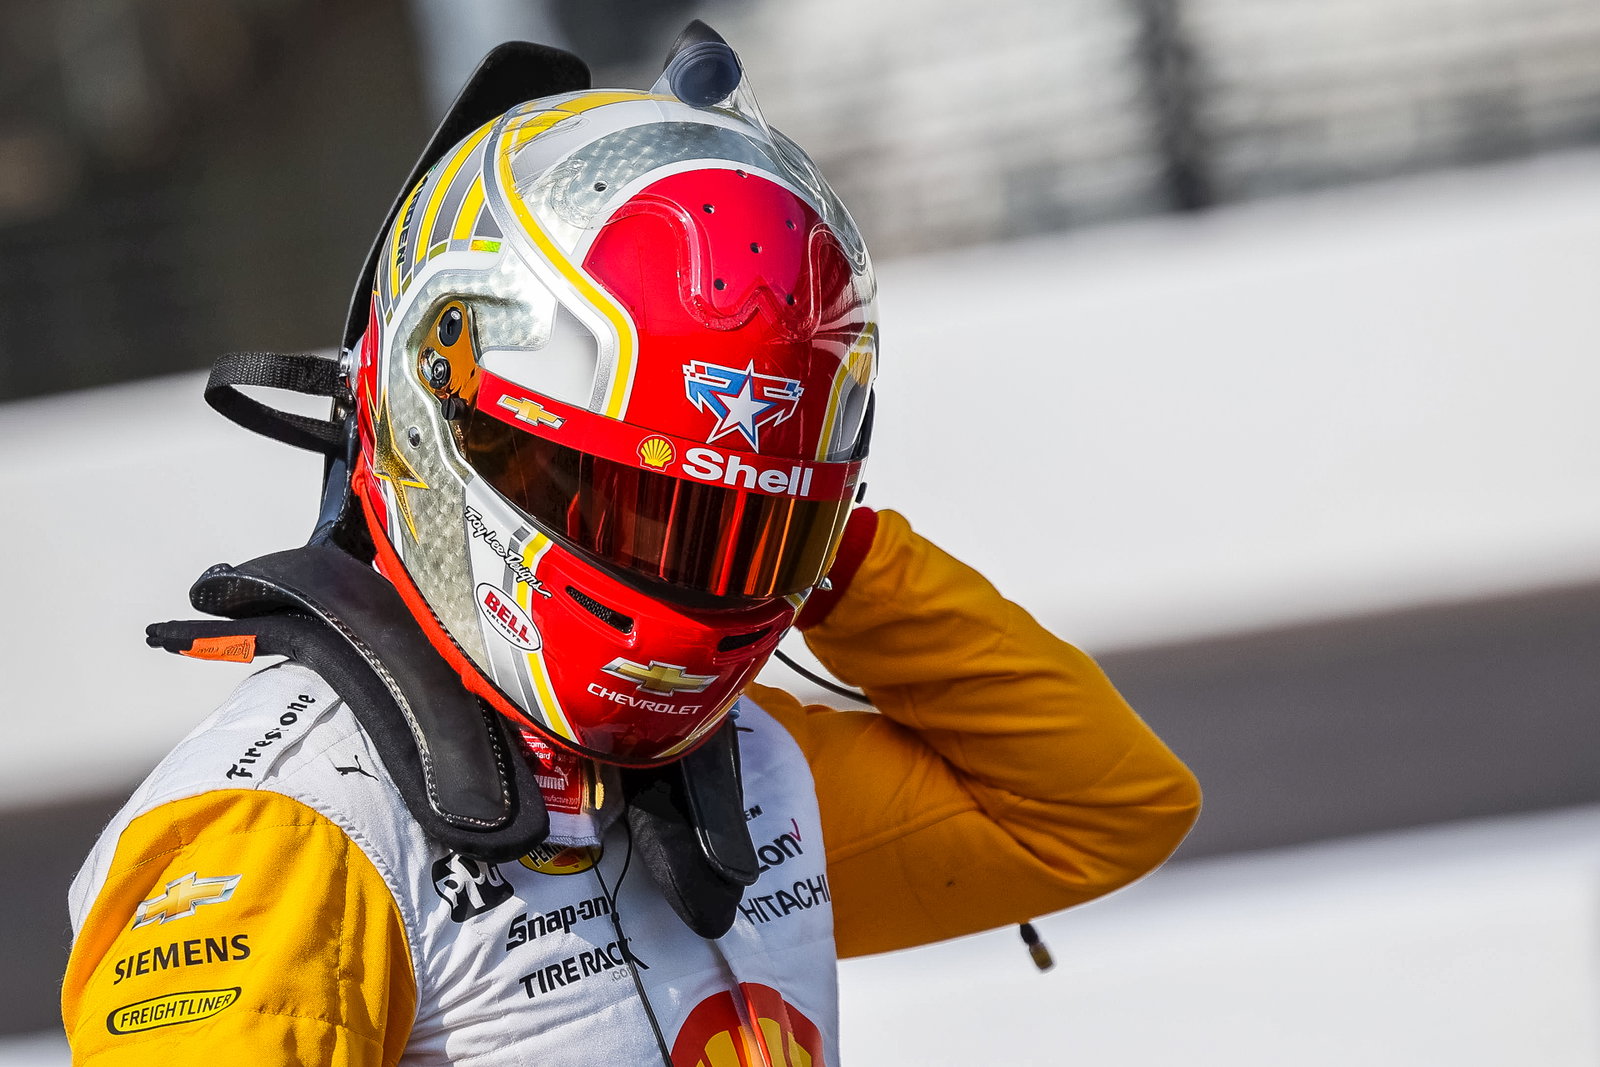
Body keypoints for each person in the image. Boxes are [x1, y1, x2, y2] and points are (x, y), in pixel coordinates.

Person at [61, 24, 1199, 1065]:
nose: (683, 586)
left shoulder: (746, 773)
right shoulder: (288, 829)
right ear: (437, 412)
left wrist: (832, 557)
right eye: (628, 506)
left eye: (746, 529)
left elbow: (1098, 806)